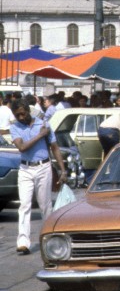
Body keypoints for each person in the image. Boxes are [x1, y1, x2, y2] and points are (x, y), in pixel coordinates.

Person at [9, 102, 66, 254]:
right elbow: (22, 147)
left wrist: (63, 170)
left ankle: (49, 238)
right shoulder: (15, 127)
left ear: (28, 110)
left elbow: (55, 148)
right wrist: (40, 135)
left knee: (45, 205)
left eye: (23, 113)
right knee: (25, 205)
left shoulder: (44, 124)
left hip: (43, 167)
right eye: (17, 115)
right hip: (25, 168)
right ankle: (23, 241)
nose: (21, 117)